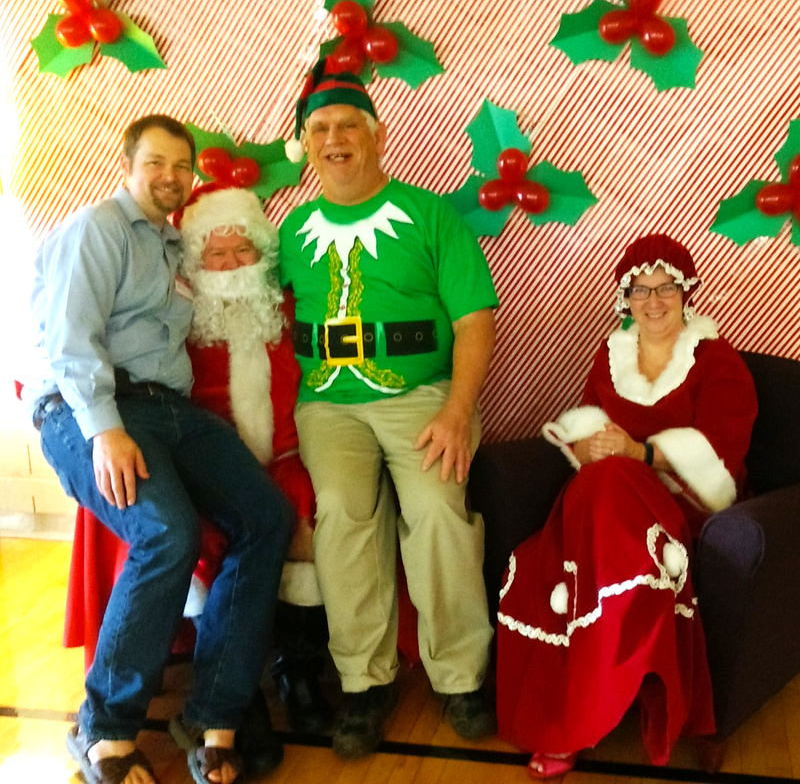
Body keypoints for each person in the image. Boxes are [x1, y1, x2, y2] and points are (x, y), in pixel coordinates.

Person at [23, 115, 292, 784]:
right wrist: (105, 430)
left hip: (169, 409)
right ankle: (104, 728)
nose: (171, 177)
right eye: (156, 163)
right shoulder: (98, 229)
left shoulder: (175, 248)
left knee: (267, 516)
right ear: (128, 163)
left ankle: (214, 713)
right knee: (165, 532)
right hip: (90, 407)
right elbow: (68, 340)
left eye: (182, 166)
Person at [279, 60, 499, 759]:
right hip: (327, 404)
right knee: (342, 509)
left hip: (422, 397)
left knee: (436, 507)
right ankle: (364, 681)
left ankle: (460, 674)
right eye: (320, 129)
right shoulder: (289, 231)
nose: (334, 139)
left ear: (378, 136)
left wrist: (460, 409)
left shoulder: (432, 215)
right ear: (305, 144)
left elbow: (474, 320)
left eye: (349, 126)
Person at [496, 234, 758, 778]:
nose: (654, 300)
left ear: (687, 293)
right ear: (625, 297)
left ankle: (580, 722)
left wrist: (637, 453)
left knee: (615, 474)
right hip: (603, 508)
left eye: (666, 288)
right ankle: (577, 709)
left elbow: (722, 465)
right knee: (554, 543)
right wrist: (588, 447)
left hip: (678, 508)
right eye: (641, 290)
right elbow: (592, 424)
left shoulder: (718, 362)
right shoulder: (610, 355)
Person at [176, 184, 333, 734]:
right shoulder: (176, 316)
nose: (230, 264)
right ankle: (232, 690)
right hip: (213, 470)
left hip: (287, 457)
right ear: (196, 261)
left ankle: (298, 668)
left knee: (309, 520)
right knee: (204, 540)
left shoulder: (288, 305)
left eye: (242, 249)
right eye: (215, 254)